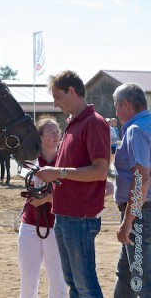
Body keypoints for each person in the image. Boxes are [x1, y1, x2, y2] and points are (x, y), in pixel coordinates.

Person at [35, 70, 110, 298]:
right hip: (67, 215)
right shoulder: (74, 124)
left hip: (80, 217)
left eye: (58, 96)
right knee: (75, 285)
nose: (55, 103)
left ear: (72, 91)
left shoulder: (93, 123)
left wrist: (58, 172)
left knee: (84, 285)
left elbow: (100, 171)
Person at [18, 115, 67, 298]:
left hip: (56, 225)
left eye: (57, 131)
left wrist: (47, 198)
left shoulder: (64, 163)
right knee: (28, 276)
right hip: (30, 223)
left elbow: (71, 196)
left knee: (57, 276)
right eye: (50, 132)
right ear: (39, 137)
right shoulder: (30, 162)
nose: (56, 135)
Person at [112, 83, 151, 298]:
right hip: (143, 211)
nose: (115, 112)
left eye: (116, 105)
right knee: (127, 275)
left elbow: (141, 178)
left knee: (142, 283)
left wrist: (128, 222)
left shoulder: (136, 131)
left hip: (140, 214)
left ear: (125, 104)